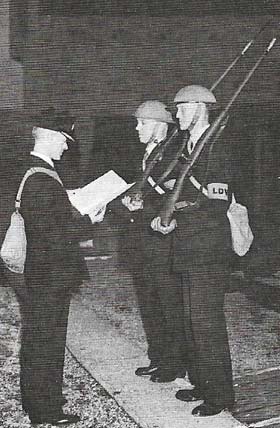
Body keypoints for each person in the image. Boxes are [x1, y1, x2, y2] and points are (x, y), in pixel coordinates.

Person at [15, 110, 105, 425]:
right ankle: (46, 411)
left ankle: (39, 398)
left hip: (38, 272)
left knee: (39, 337)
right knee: (47, 341)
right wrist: (87, 221)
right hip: (49, 274)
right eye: (65, 141)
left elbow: (46, 216)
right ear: (51, 136)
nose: (67, 147)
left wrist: (66, 202)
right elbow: (54, 234)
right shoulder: (42, 178)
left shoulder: (32, 170)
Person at [151, 86, 235, 416]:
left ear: (200, 108)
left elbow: (217, 201)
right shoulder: (187, 146)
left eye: (182, 109)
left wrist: (177, 210)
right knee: (190, 320)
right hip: (187, 245)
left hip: (208, 248)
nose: (177, 115)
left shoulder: (217, 145)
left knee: (206, 323)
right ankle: (202, 383)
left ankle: (220, 396)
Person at [122, 100, 188, 382]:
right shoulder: (148, 153)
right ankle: (158, 357)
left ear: (161, 126)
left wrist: (144, 207)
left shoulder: (176, 153)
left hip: (163, 243)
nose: (137, 128)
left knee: (168, 305)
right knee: (149, 303)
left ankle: (173, 363)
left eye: (143, 123)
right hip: (142, 243)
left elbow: (174, 199)